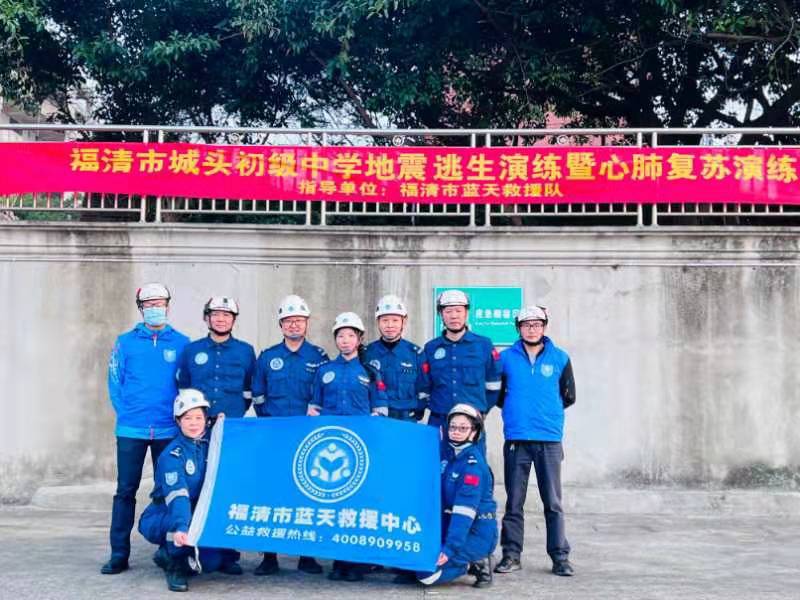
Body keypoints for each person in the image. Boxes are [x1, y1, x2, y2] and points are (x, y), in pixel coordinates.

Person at [102, 283, 190, 575]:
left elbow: (186, 384)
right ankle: (119, 554)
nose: (155, 308)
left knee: (168, 490)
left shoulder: (182, 342)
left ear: (168, 305)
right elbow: (114, 380)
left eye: (160, 303)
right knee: (125, 491)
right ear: (141, 308)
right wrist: (127, 412)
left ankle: (168, 551)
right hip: (131, 430)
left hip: (168, 431)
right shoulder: (125, 342)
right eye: (149, 304)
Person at [494, 305, 576, 577]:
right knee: (514, 501)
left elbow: (569, 396)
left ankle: (560, 557)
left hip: (548, 440)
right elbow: (499, 396)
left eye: (537, 324)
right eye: (527, 325)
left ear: (544, 327)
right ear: (518, 328)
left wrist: (544, 414)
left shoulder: (560, 358)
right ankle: (511, 555)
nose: (532, 329)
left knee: (552, 502)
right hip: (516, 438)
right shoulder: (506, 358)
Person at [251, 294, 329, 576]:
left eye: (299, 320)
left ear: (307, 323)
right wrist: (270, 421)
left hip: (308, 437)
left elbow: (325, 394)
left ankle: (306, 556)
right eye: (288, 320)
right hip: (275, 435)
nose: (294, 325)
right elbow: (258, 395)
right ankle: (269, 556)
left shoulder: (319, 357)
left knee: (308, 494)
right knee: (272, 493)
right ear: (281, 325)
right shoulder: (267, 357)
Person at [309, 311, 388, 582]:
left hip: (361, 448)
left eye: (350, 335)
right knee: (335, 503)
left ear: (359, 339)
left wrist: (374, 424)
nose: (345, 340)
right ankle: (338, 561)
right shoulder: (324, 371)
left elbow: (380, 409)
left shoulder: (370, 371)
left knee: (359, 502)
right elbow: (314, 407)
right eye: (340, 336)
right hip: (332, 447)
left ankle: (357, 562)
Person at [138, 389, 228, 592]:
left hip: (196, 511)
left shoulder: (211, 445)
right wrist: (181, 526)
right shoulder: (172, 455)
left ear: (206, 420)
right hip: (166, 513)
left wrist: (222, 424)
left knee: (211, 562)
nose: (193, 423)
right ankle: (174, 563)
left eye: (198, 417)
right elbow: (178, 496)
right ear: (178, 421)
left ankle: (179, 553)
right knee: (181, 527)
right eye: (187, 418)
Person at [417, 403, 497, 588]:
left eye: (463, 428)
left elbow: (463, 515)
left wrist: (449, 550)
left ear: (474, 432)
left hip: (474, 532)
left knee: (427, 575)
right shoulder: (449, 457)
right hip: (450, 528)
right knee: (414, 560)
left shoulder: (473, 467)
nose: (456, 432)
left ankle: (476, 562)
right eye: (453, 427)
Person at [422, 289, 502, 451]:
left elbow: (494, 386)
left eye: (458, 310)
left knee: (472, 465)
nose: (454, 316)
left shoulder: (483, 345)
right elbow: (424, 386)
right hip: (439, 422)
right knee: (436, 465)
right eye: (448, 311)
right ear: (441, 315)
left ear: (466, 313)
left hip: (471, 423)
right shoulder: (431, 348)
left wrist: (480, 410)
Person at [176, 296, 256, 422]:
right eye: (215, 314)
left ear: (234, 319)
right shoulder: (191, 350)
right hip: (199, 425)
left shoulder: (246, 351)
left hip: (232, 423)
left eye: (226, 315)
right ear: (206, 318)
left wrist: (236, 411)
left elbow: (249, 390)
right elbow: (184, 388)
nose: (221, 319)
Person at [363, 294, 427, 422]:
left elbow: (424, 388)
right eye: (385, 320)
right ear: (378, 322)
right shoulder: (367, 353)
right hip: (376, 419)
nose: (390, 325)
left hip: (407, 420)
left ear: (404, 321)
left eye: (395, 320)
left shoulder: (415, 353)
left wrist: (417, 410)